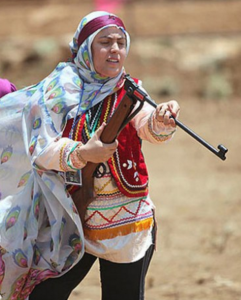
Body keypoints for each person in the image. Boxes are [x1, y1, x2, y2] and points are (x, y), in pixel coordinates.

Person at [0, 11, 180, 300]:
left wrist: (163, 119)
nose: (115, 50)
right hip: (70, 224)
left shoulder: (132, 92)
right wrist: (83, 153)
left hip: (127, 228)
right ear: (86, 49)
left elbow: (149, 128)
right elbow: (42, 150)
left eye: (121, 42)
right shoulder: (58, 90)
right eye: (105, 42)